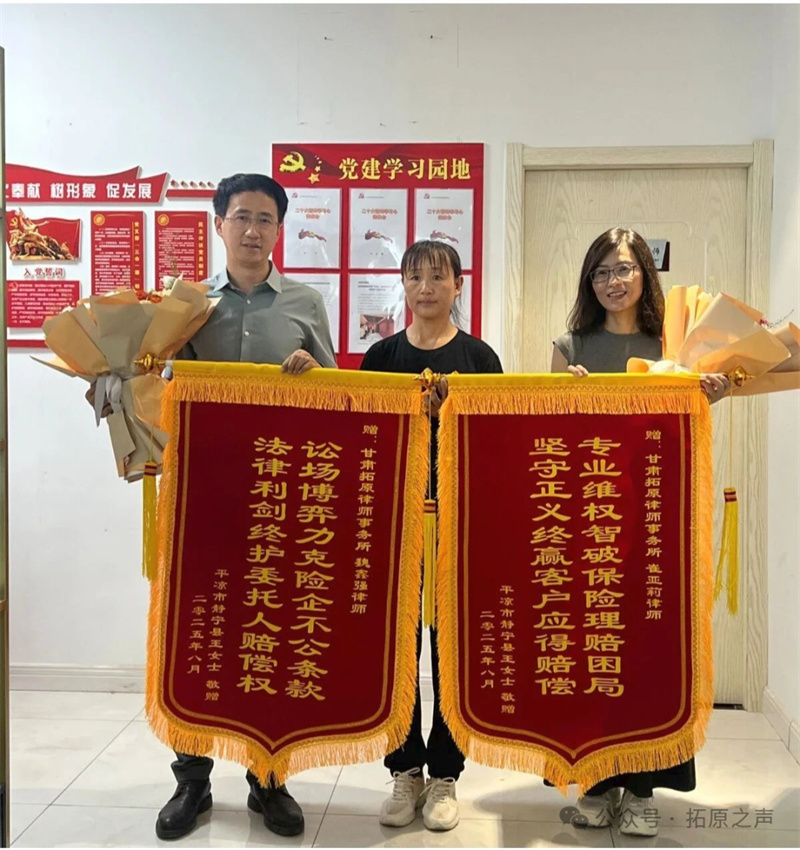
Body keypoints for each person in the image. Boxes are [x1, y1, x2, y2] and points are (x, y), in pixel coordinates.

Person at [154, 173, 337, 841]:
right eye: (241, 217)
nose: (253, 230)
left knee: (271, 633)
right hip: (202, 496)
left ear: (280, 229)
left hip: (279, 504)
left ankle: (269, 777)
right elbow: (155, 386)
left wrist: (314, 373)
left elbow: (339, 397)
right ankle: (192, 779)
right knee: (196, 634)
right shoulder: (188, 304)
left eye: (265, 219)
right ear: (219, 224)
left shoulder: (306, 302)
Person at [550, 227, 729, 837]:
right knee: (595, 644)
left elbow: (683, 423)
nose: (613, 282)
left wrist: (709, 394)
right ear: (589, 282)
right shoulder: (570, 345)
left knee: (652, 648)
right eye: (601, 272)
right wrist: (565, 400)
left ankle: (644, 786)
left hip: (657, 513)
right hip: (590, 515)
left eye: (624, 269)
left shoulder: (673, 343)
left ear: (645, 275)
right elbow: (549, 435)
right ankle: (597, 781)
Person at [361, 240, 503, 832]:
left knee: (450, 651)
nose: (426, 288)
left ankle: (445, 772)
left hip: (456, 525)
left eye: (438, 277)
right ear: (402, 283)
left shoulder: (479, 357)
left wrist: (452, 411)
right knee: (397, 649)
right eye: (415, 276)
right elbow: (362, 435)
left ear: (458, 285)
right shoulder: (381, 355)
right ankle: (404, 769)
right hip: (394, 526)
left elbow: (497, 443)